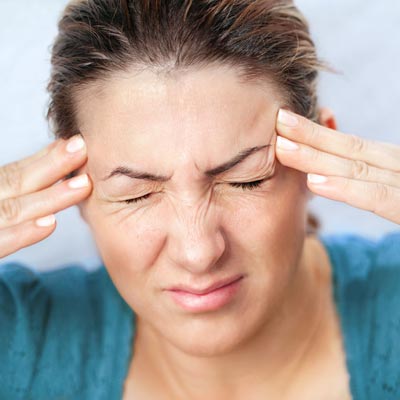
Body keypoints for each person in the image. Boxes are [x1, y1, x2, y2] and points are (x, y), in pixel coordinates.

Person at [0, 0, 399, 399]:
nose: (198, 253)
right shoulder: (18, 341)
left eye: (245, 180)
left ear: (321, 155)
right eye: (136, 194)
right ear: (71, 183)